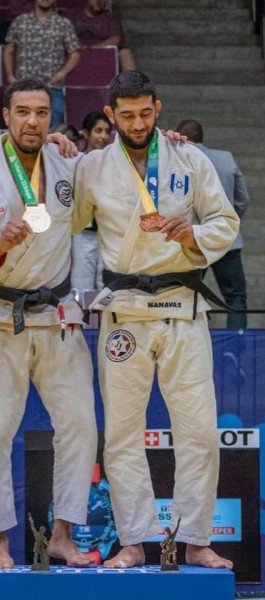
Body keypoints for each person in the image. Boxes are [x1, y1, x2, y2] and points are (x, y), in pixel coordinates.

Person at [73, 70, 239, 569]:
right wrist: (59, 153)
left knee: (200, 431)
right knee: (123, 433)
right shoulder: (91, 168)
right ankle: (133, 540)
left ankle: (196, 539)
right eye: (127, 115)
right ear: (110, 115)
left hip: (182, 307)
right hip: (124, 311)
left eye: (146, 113)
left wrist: (192, 235)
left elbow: (226, 222)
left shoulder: (189, 158)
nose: (138, 123)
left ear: (158, 109)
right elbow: (67, 221)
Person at [0, 78, 97, 569]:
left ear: (51, 118)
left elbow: (119, 170)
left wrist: (172, 141)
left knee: (81, 426)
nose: (33, 121)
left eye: (41, 112)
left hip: (57, 314)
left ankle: (63, 536)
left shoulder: (69, 167)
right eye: (23, 111)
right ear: (5, 115)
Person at [176, 119, 250, 330]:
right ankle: (236, 345)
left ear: (180, 136)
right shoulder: (226, 158)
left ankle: (183, 340)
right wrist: (228, 223)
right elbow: (243, 199)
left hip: (191, 240)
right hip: (226, 241)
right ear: (202, 136)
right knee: (236, 298)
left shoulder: (177, 160)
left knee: (184, 295)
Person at [3, 0, 80, 128]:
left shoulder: (63, 24)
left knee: (54, 132)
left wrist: (62, 73)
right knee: (22, 130)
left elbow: (74, 53)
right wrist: (10, 76)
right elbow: (8, 50)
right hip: (23, 89)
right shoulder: (20, 22)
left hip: (52, 89)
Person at [71, 111, 112, 301]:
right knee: (81, 285)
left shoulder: (115, 162)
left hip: (108, 232)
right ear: (86, 133)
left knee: (107, 284)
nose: (103, 136)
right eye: (98, 130)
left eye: (107, 131)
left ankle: (106, 320)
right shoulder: (75, 161)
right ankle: (81, 319)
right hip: (83, 232)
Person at [68, 0, 136, 72]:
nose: (99, 1)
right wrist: (78, 46)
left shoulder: (110, 18)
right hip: (75, 51)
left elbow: (115, 39)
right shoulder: (72, 15)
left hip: (102, 52)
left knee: (125, 52)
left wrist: (92, 48)